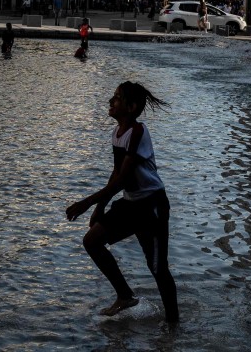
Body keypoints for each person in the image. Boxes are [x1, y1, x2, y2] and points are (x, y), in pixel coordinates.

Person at [66, 81, 179, 324]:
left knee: (157, 267)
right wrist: (99, 208)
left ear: (131, 106)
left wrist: (87, 202)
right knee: (92, 241)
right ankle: (125, 296)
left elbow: (123, 179)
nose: (111, 101)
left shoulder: (138, 131)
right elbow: (116, 174)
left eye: (117, 98)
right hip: (130, 204)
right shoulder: (117, 134)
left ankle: (173, 327)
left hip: (151, 206)